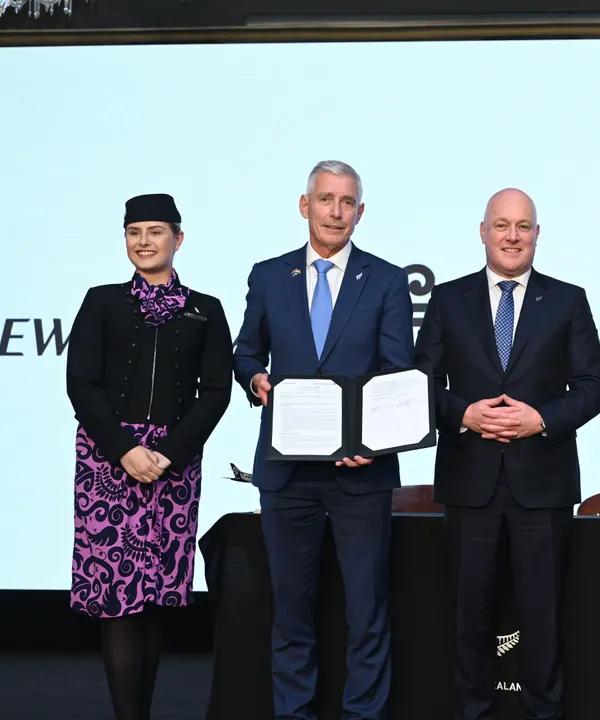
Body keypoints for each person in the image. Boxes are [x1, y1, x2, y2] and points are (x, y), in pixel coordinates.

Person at [414, 188, 600, 720]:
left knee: (543, 618)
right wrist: (464, 414)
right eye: (501, 225)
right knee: (469, 617)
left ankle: (545, 713)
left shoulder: (568, 299)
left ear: (537, 235)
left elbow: (595, 386)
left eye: (523, 227)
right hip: (469, 482)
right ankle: (473, 712)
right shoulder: (449, 299)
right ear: (482, 231)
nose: (512, 236)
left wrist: (541, 418)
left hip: (542, 485)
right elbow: (419, 384)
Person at [232, 160, 414, 720]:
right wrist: (254, 377)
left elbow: (397, 372)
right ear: (304, 205)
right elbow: (244, 351)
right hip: (286, 473)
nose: (336, 211)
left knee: (367, 611)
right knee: (291, 610)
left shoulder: (385, 279)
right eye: (326, 199)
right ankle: (294, 713)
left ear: (361, 212)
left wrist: (376, 442)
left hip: (361, 472)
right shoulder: (268, 276)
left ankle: (364, 714)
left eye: (347, 202)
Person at [66, 193, 234, 720]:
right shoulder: (101, 301)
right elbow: (80, 384)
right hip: (107, 466)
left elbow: (216, 393)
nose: (144, 241)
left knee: (157, 597)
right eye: (134, 232)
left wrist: (167, 455)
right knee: (116, 601)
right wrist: (123, 451)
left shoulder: (206, 308)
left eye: (155, 231)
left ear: (177, 239)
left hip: (173, 467)